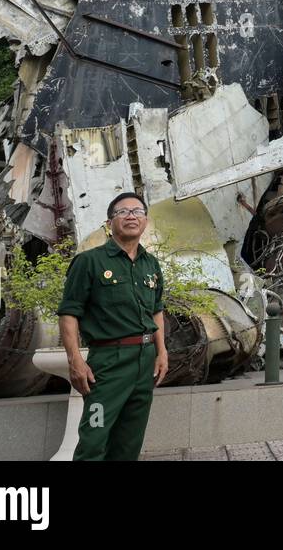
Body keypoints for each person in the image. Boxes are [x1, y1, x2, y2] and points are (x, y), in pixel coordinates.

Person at [58, 191, 169, 461]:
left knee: (129, 442)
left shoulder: (151, 264)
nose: (131, 216)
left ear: (145, 221)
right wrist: (75, 360)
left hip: (144, 361)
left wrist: (162, 351)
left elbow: (156, 311)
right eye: (123, 212)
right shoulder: (89, 262)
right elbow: (69, 313)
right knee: (94, 438)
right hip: (108, 363)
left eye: (138, 211)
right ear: (110, 223)